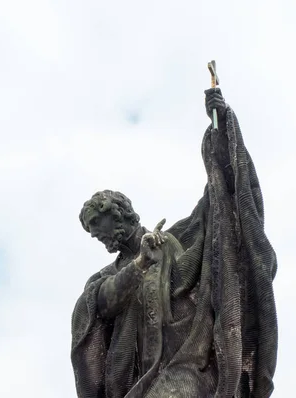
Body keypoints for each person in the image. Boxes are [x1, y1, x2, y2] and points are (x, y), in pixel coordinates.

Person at [71, 88, 278, 398]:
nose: (96, 235)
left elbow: (218, 207)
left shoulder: (173, 240)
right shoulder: (105, 278)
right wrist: (140, 265)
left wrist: (221, 131)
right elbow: (100, 303)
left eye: (98, 226)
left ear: (120, 216)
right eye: (92, 231)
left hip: (187, 364)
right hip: (136, 380)